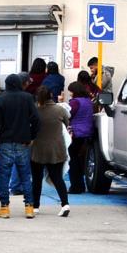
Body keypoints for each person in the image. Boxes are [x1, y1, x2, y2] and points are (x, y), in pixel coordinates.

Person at [0, 73, 40, 219]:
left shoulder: (1, 99)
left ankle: (4, 208)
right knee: (25, 176)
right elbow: (36, 119)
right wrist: (32, 136)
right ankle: (29, 207)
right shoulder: (28, 98)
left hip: (6, 142)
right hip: (24, 142)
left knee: (4, 176)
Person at [30, 86, 70, 217]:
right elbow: (67, 121)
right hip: (56, 149)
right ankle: (65, 204)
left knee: (36, 179)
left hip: (37, 149)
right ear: (51, 95)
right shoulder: (60, 109)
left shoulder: (35, 111)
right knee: (57, 177)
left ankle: (35, 206)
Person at [67, 82, 95, 193]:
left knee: (72, 160)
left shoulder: (75, 102)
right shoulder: (88, 101)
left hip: (76, 133)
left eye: (71, 91)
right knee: (80, 160)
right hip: (87, 133)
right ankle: (81, 185)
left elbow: (68, 115)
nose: (70, 94)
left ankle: (76, 186)